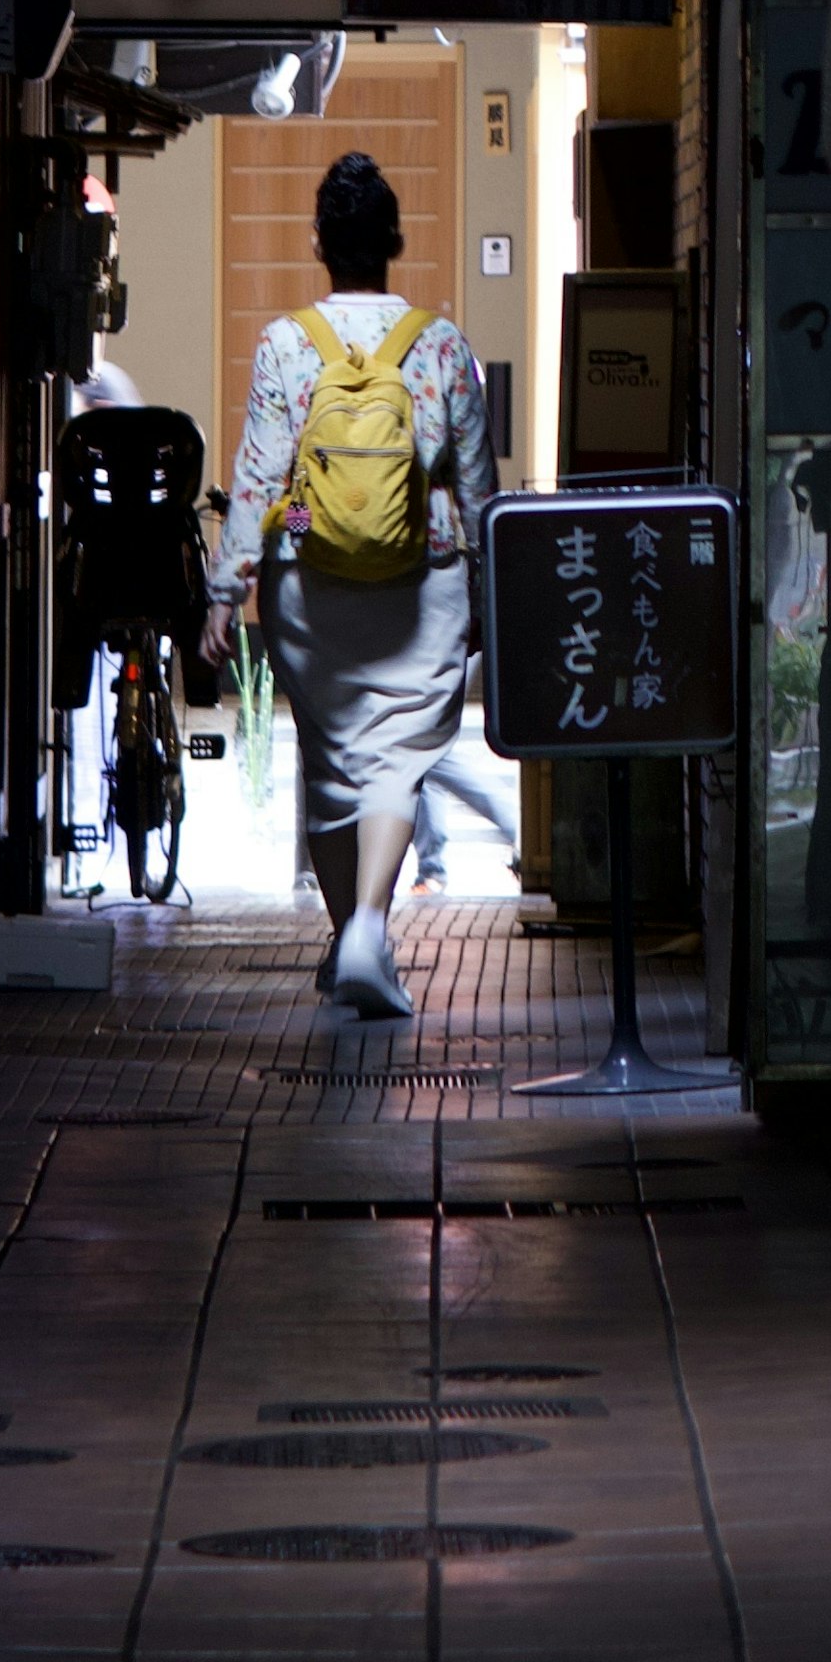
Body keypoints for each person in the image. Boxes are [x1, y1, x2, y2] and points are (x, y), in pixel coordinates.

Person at [213, 147, 496, 1023]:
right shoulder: (442, 344)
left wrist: (233, 583)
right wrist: (491, 590)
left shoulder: (289, 344)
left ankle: (351, 938)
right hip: (427, 564)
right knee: (396, 761)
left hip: (309, 564)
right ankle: (368, 927)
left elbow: (267, 480)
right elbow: (476, 482)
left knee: (334, 759)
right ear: (395, 242)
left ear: (320, 244)